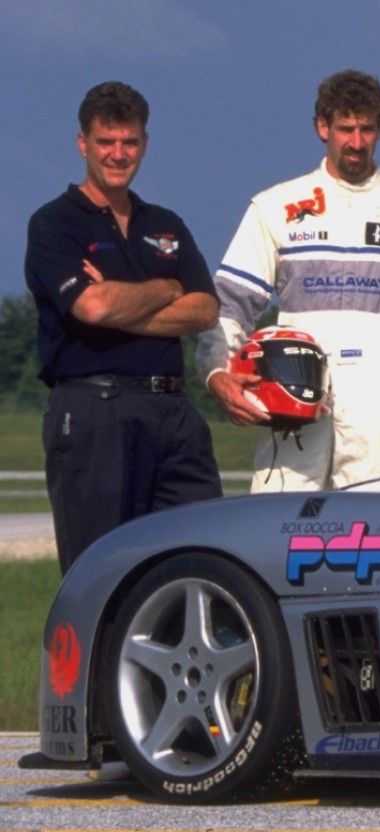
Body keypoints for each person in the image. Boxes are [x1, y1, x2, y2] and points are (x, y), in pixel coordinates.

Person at [199, 70, 380, 490]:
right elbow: (228, 305)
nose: (356, 142)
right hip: (291, 391)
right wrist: (219, 375)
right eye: (345, 128)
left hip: (378, 400)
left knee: (368, 539)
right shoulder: (276, 205)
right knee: (280, 534)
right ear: (323, 127)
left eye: (366, 129)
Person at [24, 82, 223, 572]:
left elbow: (205, 310)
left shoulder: (166, 224)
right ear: (83, 144)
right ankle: (94, 652)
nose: (118, 154)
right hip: (96, 409)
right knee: (103, 571)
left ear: (144, 144)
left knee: (201, 558)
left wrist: (123, 298)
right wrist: (166, 287)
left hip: (175, 412)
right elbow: (92, 308)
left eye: (129, 142)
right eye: (106, 141)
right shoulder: (54, 224)